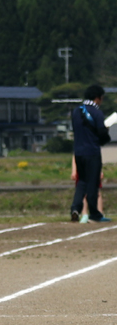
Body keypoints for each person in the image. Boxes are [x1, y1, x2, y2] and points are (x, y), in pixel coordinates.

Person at [70, 84, 111, 223]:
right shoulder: (96, 112)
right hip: (92, 151)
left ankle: (75, 208)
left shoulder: (76, 111)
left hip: (79, 151)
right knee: (93, 183)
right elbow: (101, 133)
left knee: (82, 181)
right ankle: (94, 213)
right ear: (97, 98)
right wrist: (106, 133)